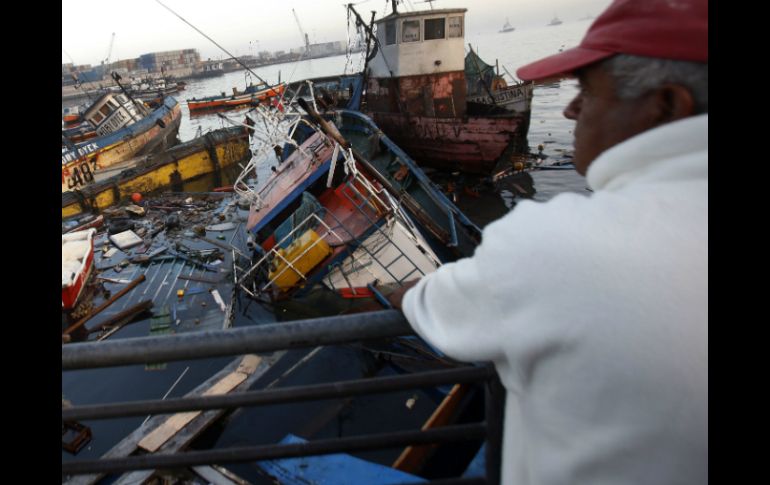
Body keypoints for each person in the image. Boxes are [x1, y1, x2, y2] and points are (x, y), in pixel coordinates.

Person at [389, 0, 707, 483]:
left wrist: (403, 293)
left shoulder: (548, 242)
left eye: (588, 91)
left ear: (666, 105)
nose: (570, 108)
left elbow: (432, 305)